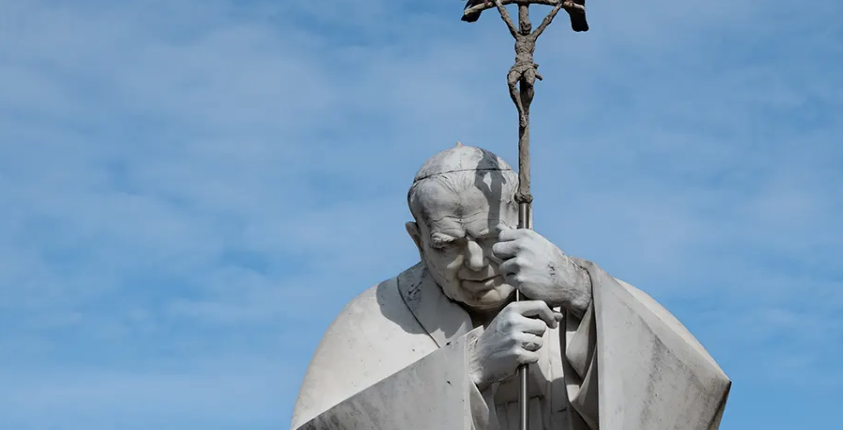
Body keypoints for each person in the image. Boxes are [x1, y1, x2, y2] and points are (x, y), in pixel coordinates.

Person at [291, 144, 729, 430]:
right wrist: (469, 369)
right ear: (417, 240)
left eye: (489, 237)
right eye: (446, 245)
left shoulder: (583, 293)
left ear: (524, 221)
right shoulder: (376, 317)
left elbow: (695, 400)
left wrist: (583, 295)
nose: (475, 262)